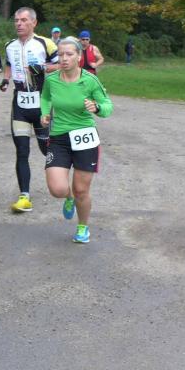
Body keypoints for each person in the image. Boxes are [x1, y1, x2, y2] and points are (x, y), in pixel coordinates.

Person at [40, 36, 113, 243]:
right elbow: (45, 97)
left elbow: (107, 106)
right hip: (59, 137)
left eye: (69, 54)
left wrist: (97, 107)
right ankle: (68, 197)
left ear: (79, 56)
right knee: (57, 189)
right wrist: (44, 113)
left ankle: (83, 227)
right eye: (61, 54)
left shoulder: (90, 80)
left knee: (82, 190)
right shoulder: (51, 80)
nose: (64, 58)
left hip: (85, 138)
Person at [0, 7, 59, 212]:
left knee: (45, 149)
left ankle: (63, 182)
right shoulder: (10, 45)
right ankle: (24, 196)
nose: (19, 23)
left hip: (42, 104)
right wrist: (6, 79)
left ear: (34, 22)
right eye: (16, 20)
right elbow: (9, 64)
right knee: (22, 150)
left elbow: (62, 64)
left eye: (24, 20)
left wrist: (42, 68)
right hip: (20, 104)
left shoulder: (45, 43)